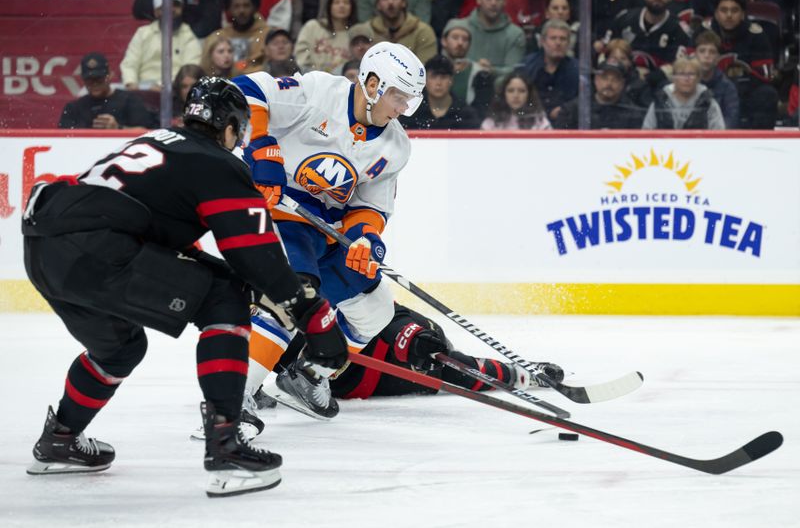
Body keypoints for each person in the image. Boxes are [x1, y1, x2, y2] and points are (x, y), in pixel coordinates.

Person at [23, 77, 349, 497]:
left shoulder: (160, 142)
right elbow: (257, 257)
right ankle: (226, 447)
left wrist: (241, 279)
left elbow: (167, 241)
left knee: (120, 348)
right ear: (229, 127)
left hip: (46, 248)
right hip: (99, 246)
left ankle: (60, 440)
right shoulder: (218, 163)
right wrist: (314, 318)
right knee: (223, 300)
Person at [232, 42, 425, 418]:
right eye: (398, 97)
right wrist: (261, 146)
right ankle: (231, 398)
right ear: (372, 85)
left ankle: (310, 372)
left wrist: (365, 239)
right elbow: (246, 89)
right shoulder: (319, 92)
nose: (403, 108)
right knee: (291, 298)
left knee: (376, 310)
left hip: (325, 230)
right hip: (278, 213)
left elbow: (370, 206)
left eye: (409, 101)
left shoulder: (396, 146)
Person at [244, 302, 564, 421]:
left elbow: (392, 318)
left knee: (451, 368)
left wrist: (411, 338)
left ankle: (525, 374)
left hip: (388, 360)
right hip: (351, 380)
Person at [710, 0, 778, 128]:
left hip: (746, 89)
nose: (729, 15)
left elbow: (765, 75)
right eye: (724, 10)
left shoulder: (756, 35)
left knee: (767, 94)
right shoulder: (705, 32)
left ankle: (760, 143)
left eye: (734, 10)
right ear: (716, 14)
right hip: (711, 87)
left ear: (742, 14)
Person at [120, 0, 202, 90]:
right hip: (143, 89)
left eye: (175, 5)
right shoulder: (143, 33)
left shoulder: (188, 34)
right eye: (165, 6)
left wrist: (164, 87)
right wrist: (131, 83)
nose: (171, 9)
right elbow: (129, 64)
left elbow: (190, 69)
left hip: (176, 91)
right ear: (156, 12)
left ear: (181, 8)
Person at [59, 53, 157, 130]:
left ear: (109, 75)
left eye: (99, 78)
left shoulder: (130, 101)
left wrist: (118, 128)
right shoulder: (74, 108)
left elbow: (145, 132)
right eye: (89, 80)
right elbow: (63, 138)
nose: (95, 83)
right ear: (83, 79)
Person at [595, 0, 691, 69]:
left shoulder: (678, 29)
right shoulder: (624, 18)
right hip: (621, 77)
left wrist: (650, 77)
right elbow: (606, 50)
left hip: (659, 86)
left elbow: (678, 65)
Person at [554, 61, 646, 129]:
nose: (609, 84)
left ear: (622, 84)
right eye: (605, 78)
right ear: (596, 80)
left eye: (615, 79)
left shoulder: (633, 113)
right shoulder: (573, 109)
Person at [518, 19, 578, 121]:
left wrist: (566, 109)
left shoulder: (577, 69)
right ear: (542, 41)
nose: (558, 43)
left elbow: (586, 98)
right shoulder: (527, 66)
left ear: (568, 43)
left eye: (563, 39)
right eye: (553, 38)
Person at [349, 0, 437, 64]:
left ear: (404, 3)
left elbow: (426, 65)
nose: (390, 2)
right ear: (378, 5)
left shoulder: (423, 31)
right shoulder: (368, 31)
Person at [642, 57, 726, 129]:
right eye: (681, 74)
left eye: (691, 74)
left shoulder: (709, 103)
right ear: (673, 77)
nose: (686, 79)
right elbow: (646, 132)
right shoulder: (660, 102)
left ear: (698, 78)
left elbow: (719, 135)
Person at [402, 55, 481, 130]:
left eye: (443, 77)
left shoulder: (466, 114)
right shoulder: (411, 112)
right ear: (425, 81)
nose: (438, 83)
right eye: (433, 77)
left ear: (451, 80)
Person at [440, 18, 494, 119]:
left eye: (465, 39)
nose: (460, 43)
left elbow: (482, 110)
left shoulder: (480, 73)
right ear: (444, 41)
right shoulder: (429, 70)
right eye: (455, 37)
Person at [464, 0, 526, 82]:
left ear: (505, 1)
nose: (493, 3)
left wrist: (492, 70)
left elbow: (513, 71)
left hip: (502, 92)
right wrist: (474, 68)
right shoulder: (461, 29)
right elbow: (452, 65)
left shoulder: (516, 34)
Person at [205, 0, 269, 73]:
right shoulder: (217, 37)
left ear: (254, 8)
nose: (241, 10)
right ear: (229, 9)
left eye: (246, 5)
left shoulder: (268, 35)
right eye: (236, 6)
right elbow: (206, 69)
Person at [294, 0, 358, 73]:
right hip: (311, 77)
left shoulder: (355, 34)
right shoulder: (313, 26)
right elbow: (301, 55)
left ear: (352, 7)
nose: (342, 5)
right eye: (337, 2)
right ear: (329, 6)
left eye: (346, 2)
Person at [694, 30, 740, 129]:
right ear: (695, 55)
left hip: (717, 140)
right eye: (702, 51)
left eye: (712, 52)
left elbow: (731, 120)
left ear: (717, 58)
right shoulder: (686, 83)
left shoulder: (727, 87)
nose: (706, 56)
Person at [481, 71, 550, 130]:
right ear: (503, 94)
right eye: (510, 91)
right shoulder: (491, 122)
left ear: (529, 94)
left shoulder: (540, 122)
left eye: (521, 91)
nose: (516, 96)